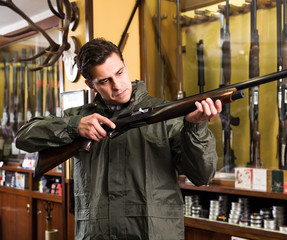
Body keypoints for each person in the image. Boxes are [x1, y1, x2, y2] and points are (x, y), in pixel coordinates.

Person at [15, 38, 222, 239]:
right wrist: (73, 127)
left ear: (125, 65)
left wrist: (195, 127)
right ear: (91, 85)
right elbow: (24, 137)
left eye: (120, 72)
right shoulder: (79, 118)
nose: (117, 85)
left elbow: (202, 176)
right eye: (105, 81)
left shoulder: (166, 115)